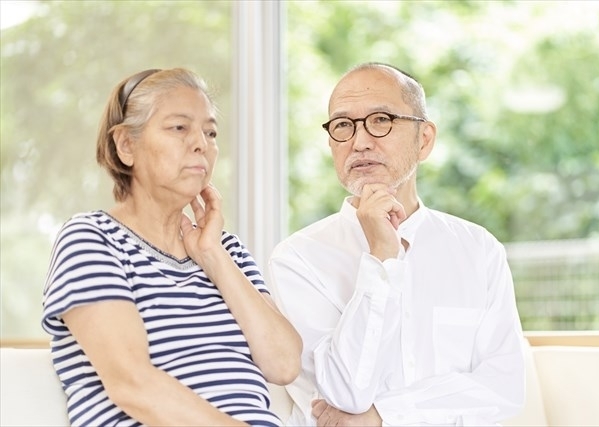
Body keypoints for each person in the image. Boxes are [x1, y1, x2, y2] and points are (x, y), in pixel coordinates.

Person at [268, 62, 525, 426]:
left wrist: (383, 416)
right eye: (343, 125)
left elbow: (504, 388)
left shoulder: (479, 250)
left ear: (424, 139)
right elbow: (343, 395)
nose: (359, 142)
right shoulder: (297, 259)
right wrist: (382, 259)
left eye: (381, 120)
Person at [42, 68, 302, 427]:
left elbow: (284, 365)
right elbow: (134, 385)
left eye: (210, 132)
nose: (201, 144)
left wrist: (213, 255)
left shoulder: (225, 249)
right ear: (126, 145)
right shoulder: (91, 239)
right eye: (179, 128)